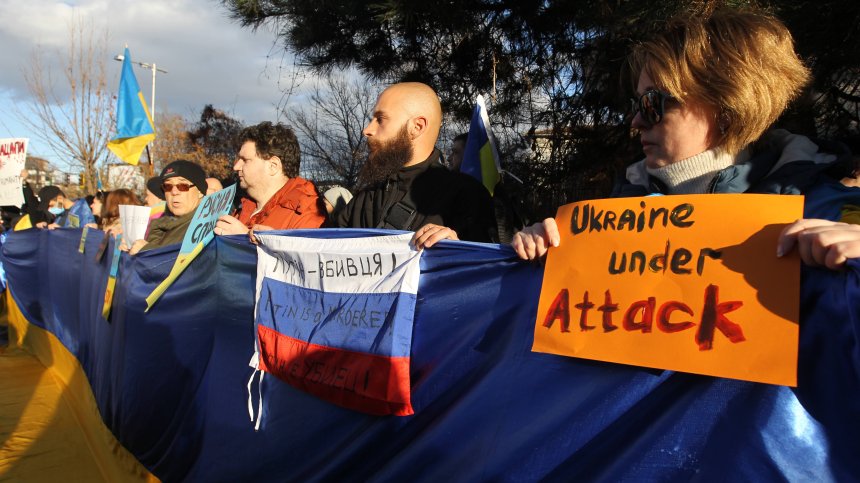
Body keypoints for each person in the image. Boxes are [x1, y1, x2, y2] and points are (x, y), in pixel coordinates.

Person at [513, 8, 859, 266]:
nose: (635, 121)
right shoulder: (615, 216)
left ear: (726, 105)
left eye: (651, 103)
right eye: (636, 104)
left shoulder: (830, 206)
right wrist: (545, 257)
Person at [336, 82, 496, 248]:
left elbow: (488, 271)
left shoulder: (466, 195)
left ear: (417, 127)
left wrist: (459, 250)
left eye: (380, 119)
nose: (367, 130)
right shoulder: (364, 198)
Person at [215, 122, 325, 236]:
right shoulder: (242, 207)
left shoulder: (306, 209)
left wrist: (244, 238)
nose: (236, 167)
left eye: (245, 160)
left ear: (273, 166)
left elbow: (303, 253)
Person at [128, 160, 207, 254]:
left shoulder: (207, 227)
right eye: (168, 186)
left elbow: (191, 264)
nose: (174, 192)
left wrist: (146, 250)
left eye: (182, 186)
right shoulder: (159, 224)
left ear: (200, 192)